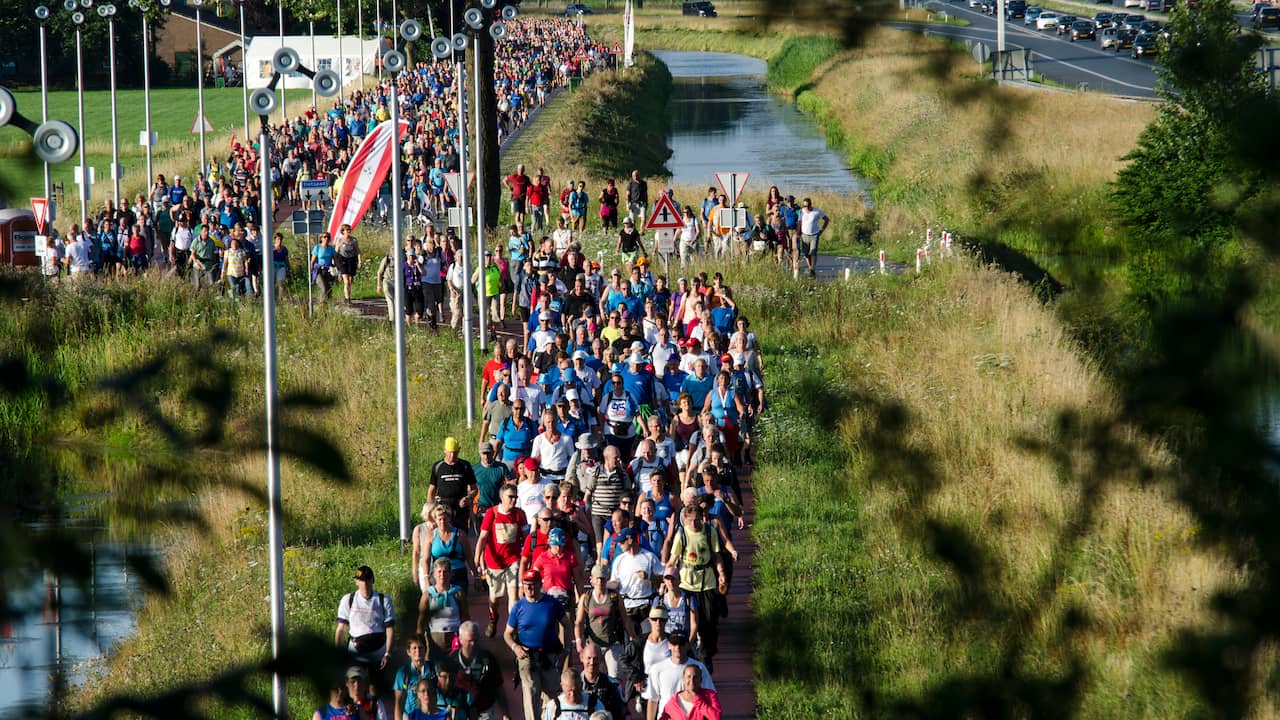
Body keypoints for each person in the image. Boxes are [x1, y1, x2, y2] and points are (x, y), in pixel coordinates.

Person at [666, 506, 725, 673]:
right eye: (690, 520)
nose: (694, 523)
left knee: (709, 622)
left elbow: (716, 555)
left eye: (697, 519)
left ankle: (706, 653)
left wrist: (721, 573)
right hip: (686, 584)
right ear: (685, 519)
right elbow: (673, 559)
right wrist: (666, 579)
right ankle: (692, 654)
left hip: (707, 583)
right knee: (689, 623)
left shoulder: (709, 532)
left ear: (702, 518)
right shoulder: (682, 535)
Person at [505, 569, 568, 720]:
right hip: (527, 656)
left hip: (549, 654)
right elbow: (507, 634)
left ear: (540, 584)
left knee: (552, 693)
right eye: (526, 584)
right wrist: (515, 647)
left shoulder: (552, 604)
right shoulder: (518, 607)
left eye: (532, 585)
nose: (529, 588)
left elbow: (567, 624)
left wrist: (567, 647)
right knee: (531, 692)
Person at [475, 482, 527, 637]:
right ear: (502, 497)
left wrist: (527, 557)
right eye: (510, 497)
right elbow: (483, 537)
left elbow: (525, 537)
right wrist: (477, 557)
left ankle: (513, 627)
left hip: (513, 561)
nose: (513, 500)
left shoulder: (520, 514)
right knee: (495, 598)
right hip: (494, 562)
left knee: (514, 594)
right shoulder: (492, 513)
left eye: (515, 497)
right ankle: (493, 618)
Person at [336, 565, 397, 673]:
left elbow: (390, 629)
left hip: (378, 651)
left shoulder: (384, 600)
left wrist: (388, 653)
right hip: (355, 650)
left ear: (373, 580)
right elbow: (341, 629)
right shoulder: (348, 600)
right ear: (356, 582)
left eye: (367, 580)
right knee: (355, 684)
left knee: (377, 687)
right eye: (361, 580)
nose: (365, 584)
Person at [446, 621, 509, 720]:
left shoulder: (488, 658)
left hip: (484, 711)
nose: (473, 644)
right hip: (460, 711)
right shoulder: (451, 660)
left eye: (476, 640)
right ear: (460, 640)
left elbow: (498, 687)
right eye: (470, 641)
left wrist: (506, 713)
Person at [575, 563, 629, 679]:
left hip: (613, 643)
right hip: (593, 644)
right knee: (593, 676)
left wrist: (632, 637)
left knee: (615, 677)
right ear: (592, 580)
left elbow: (625, 619)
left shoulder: (614, 597)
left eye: (603, 579)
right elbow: (578, 622)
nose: (600, 582)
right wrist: (579, 641)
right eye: (597, 579)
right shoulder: (586, 598)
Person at [644, 632, 713, 720]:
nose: (677, 647)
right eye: (674, 643)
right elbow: (653, 700)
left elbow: (710, 697)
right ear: (669, 645)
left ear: (688, 645)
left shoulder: (699, 667)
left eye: (681, 644)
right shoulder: (657, 669)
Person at [611, 527, 665, 635]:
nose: (619, 545)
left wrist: (648, 576)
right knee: (631, 642)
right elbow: (614, 582)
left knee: (647, 637)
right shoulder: (619, 560)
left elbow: (664, 578)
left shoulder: (649, 557)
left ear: (630, 540)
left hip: (646, 606)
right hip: (627, 607)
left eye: (622, 542)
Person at [418, 558, 470, 659]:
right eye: (439, 571)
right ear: (433, 574)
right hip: (434, 638)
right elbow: (421, 621)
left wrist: (466, 638)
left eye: (445, 571)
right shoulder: (427, 595)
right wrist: (419, 641)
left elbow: (465, 617)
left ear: (451, 574)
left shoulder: (458, 593)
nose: (442, 575)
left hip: (455, 637)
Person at [429, 437, 478, 532]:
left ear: (459, 451)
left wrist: (469, 498)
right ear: (445, 451)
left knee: (461, 537)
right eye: (450, 452)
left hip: (460, 509)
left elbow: (474, 489)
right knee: (444, 535)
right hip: (443, 508)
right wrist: (431, 512)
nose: (452, 455)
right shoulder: (438, 466)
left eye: (455, 452)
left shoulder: (465, 466)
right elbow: (431, 490)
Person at [579, 640, 628, 720]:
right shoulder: (575, 684)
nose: (592, 662)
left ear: (601, 659)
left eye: (595, 658)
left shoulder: (613, 684)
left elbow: (622, 713)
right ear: (582, 658)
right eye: (589, 658)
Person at [473, 441, 514, 532]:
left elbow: (509, 485)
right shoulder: (474, 469)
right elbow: (470, 489)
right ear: (480, 454)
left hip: (497, 507)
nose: (486, 456)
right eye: (484, 453)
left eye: (488, 453)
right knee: (481, 535)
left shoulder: (501, 468)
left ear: (493, 453)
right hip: (480, 508)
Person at [393, 636, 435, 720]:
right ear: (408, 651)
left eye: (421, 648)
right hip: (410, 716)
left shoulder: (433, 669)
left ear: (425, 650)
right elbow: (399, 701)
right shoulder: (403, 672)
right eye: (414, 648)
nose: (418, 651)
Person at [541, 669, 606, 719]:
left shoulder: (595, 705)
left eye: (576, 691)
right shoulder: (553, 707)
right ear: (562, 686)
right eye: (569, 691)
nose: (573, 695)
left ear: (581, 685)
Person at [796, 197, 827, 277]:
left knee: (813, 252)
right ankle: (810, 268)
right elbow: (799, 222)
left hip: (814, 235)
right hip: (804, 235)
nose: (805, 207)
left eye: (807, 205)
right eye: (804, 206)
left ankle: (812, 269)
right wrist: (798, 234)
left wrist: (822, 230)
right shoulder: (801, 211)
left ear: (810, 205)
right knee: (806, 253)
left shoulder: (817, 211)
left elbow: (826, 219)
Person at [335, 224, 362, 301]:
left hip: (352, 260)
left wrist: (360, 261)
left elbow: (358, 251)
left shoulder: (354, 240)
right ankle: (347, 298)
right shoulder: (340, 240)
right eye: (347, 230)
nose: (349, 231)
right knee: (346, 281)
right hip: (342, 260)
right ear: (343, 231)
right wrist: (334, 261)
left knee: (350, 280)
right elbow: (336, 252)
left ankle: (348, 294)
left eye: (349, 230)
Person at [312, 231, 339, 302]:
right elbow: (312, 261)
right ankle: (321, 304)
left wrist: (337, 270)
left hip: (329, 270)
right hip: (319, 270)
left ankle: (327, 306)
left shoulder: (331, 248)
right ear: (321, 238)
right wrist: (311, 270)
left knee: (329, 289)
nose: (326, 238)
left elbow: (335, 260)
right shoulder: (317, 247)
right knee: (324, 288)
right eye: (324, 237)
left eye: (327, 237)